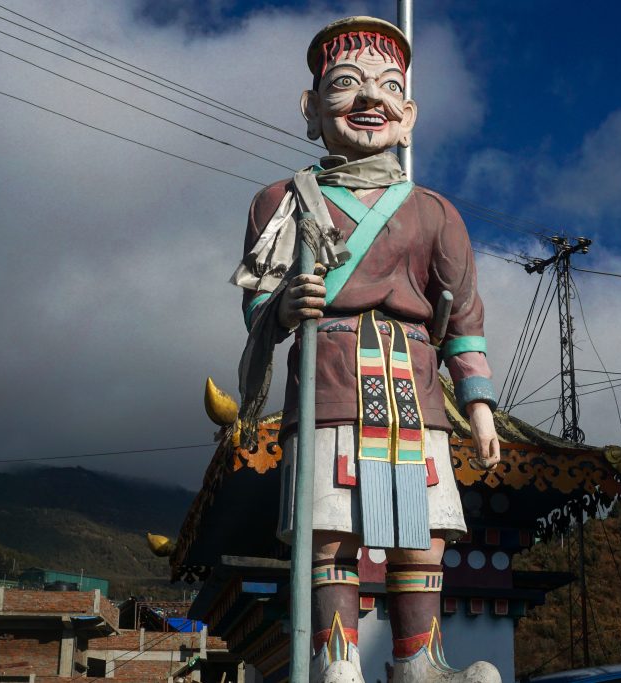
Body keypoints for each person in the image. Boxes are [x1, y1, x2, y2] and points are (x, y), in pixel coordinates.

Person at [231, 16, 501, 683]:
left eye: (386, 88)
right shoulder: (282, 202)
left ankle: (419, 660)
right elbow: (257, 301)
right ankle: (337, 657)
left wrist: (482, 404)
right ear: (312, 107)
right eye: (346, 84)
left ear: (407, 115)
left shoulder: (435, 213)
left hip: (414, 381)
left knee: (423, 531)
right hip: (329, 376)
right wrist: (283, 307)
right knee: (332, 530)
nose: (368, 100)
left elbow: (463, 312)